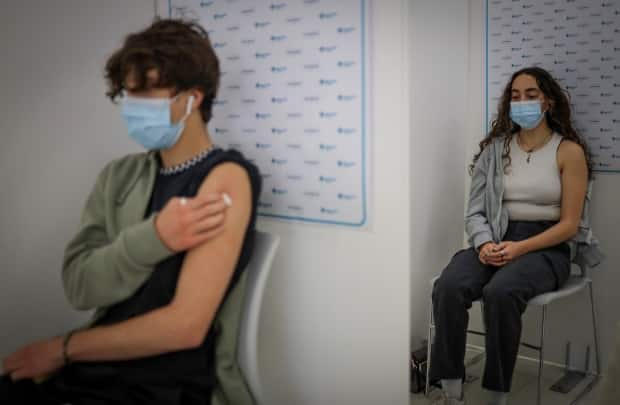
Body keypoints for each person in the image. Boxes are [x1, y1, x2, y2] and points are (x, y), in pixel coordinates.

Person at [1, 19, 260, 405]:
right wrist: (155, 238)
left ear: (194, 98)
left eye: (149, 91)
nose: (134, 105)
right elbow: (80, 286)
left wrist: (62, 348)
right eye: (128, 93)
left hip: (163, 386)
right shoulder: (118, 177)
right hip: (97, 370)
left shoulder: (226, 178)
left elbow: (185, 328)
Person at [430, 66, 603, 405]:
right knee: (448, 286)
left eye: (531, 95)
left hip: (547, 246)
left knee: (501, 291)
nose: (521, 102)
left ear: (548, 102)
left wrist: (520, 248)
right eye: (515, 96)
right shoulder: (495, 151)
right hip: (495, 238)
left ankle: (496, 394)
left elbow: (570, 224)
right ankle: (451, 389)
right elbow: (474, 211)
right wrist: (484, 244)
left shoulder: (568, 151)